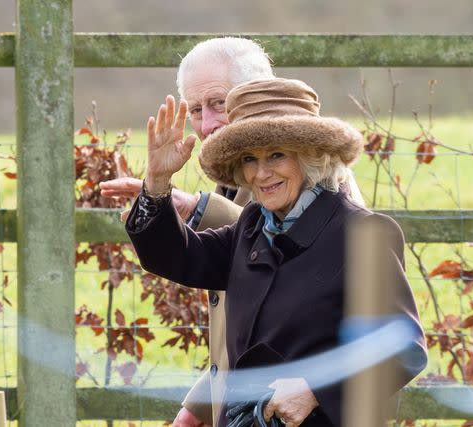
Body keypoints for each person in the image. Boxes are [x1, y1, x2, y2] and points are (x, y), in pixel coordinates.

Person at [124, 78, 427, 427]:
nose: (262, 173)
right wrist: (157, 183)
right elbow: (179, 257)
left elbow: (404, 350)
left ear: (311, 156)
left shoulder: (363, 233)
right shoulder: (252, 225)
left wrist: (314, 389)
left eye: (277, 155)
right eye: (250, 159)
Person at [101, 38, 364, 427]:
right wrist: (155, 185)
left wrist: (313, 388)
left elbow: (392, 345)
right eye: (194, 109)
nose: (207, 124)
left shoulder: (345, 215)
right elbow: (199, 270)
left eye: (218, 104)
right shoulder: (256, 212)